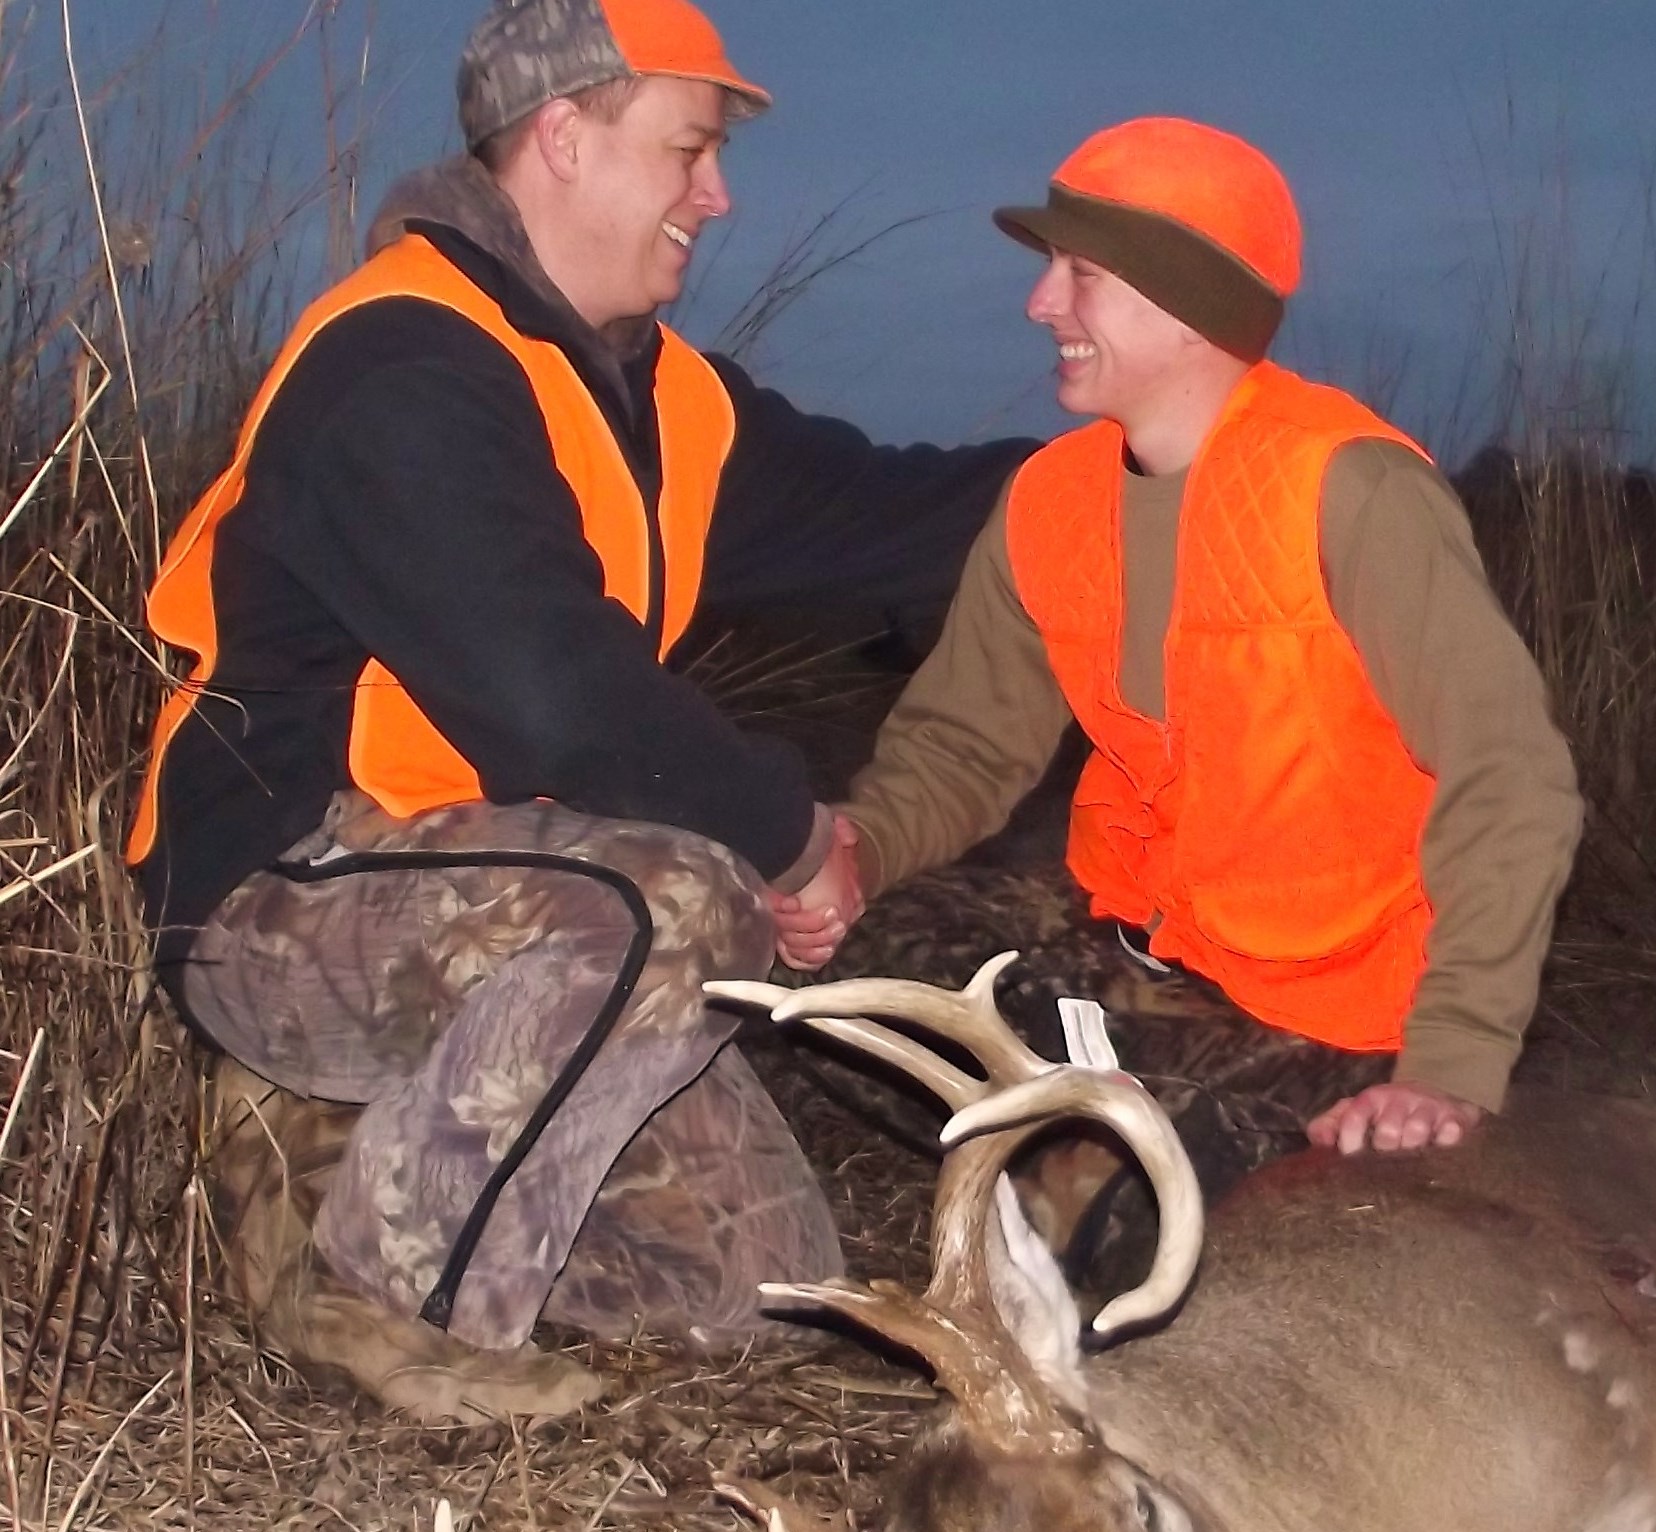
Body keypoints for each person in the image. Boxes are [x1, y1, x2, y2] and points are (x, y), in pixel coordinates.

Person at [127, 0, 1028, 1419]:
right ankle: (382, 1306)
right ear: (563, 137)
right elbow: (562, 702)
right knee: (676, 899)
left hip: (500, 907)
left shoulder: (654, 396)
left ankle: (323, 1156)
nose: (717, 194)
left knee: (751, 1299)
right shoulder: (402, 366)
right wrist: (796, 837)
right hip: (282, 888)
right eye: (689, 150)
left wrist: (1151, 478)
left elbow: (895, 511)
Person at [839, 118, 1584, 1157]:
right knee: (846, 980)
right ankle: (1096, 1109)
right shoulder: (1049, 500)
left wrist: (1447, 1065)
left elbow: (1509, 776)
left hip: (1336, 1010)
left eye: (1079, 273)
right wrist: (852, 854)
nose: (1038, 302)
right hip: (1138, 949)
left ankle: (1139, 1135)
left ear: (1185, 303)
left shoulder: (1350, 489)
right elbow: (962, 747)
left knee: (1153, 1179)